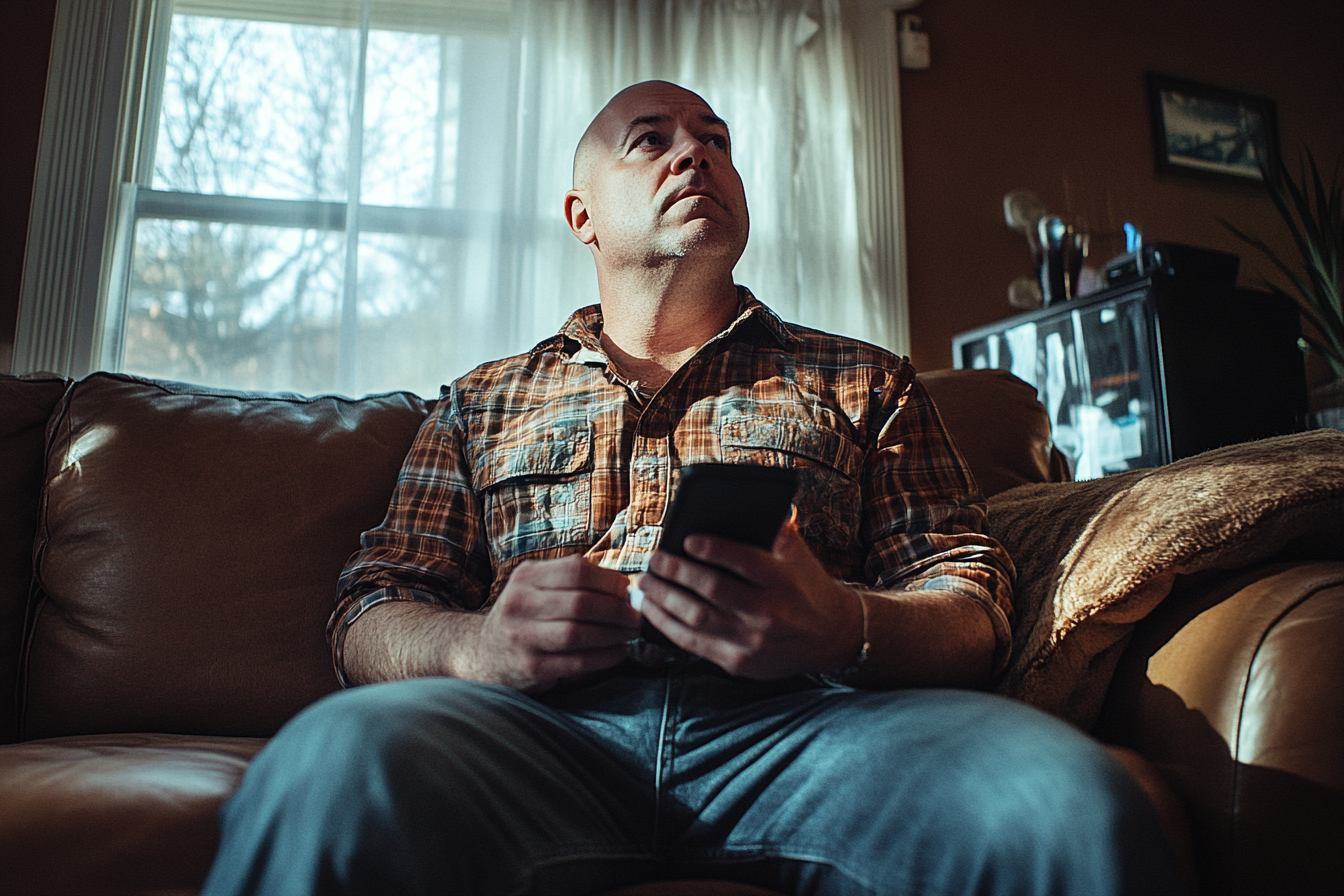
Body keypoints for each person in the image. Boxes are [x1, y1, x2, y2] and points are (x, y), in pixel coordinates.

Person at [203, 81, 1182, 896]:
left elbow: (972, 596)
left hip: (811, 732)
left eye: (716, 140)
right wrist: (476, 643)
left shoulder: (864, 380)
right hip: (532, 738)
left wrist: (844, 624)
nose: (696, 154)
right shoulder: (481, 401)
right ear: (581, 214)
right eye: (652, 140)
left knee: (1071, 807)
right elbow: (369, 606)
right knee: (325, 766)